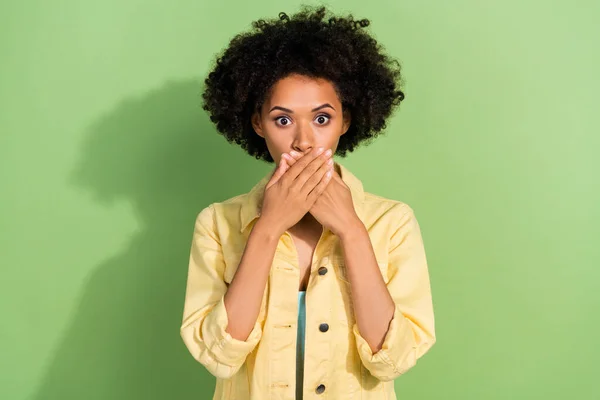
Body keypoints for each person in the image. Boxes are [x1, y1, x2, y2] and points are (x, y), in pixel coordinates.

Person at [180, 5, 436, 399]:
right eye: (283, 120)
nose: (303, 140)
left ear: (345, 121)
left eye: (321, 119)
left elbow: (394, 359)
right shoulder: (218, 223)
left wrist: (352, 230)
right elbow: (219, 357)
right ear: (256, 123)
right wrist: (266, 228)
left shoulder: (393, 221)